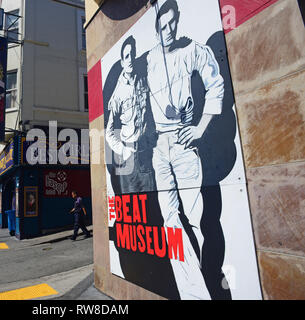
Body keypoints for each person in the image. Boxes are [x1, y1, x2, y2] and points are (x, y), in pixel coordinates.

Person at [145, 0, 225, 300]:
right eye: (162, 25)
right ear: (155, 28)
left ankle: (209, 284)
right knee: (170, 221)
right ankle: (193, 293)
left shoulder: (192, 49)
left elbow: (215, 85)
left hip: (183, 142)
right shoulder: (150, 59)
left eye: (171, 23)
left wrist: (200, 127)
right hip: (159, 147)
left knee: (196, 219)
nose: (167, 30)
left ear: (177, 22)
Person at [105, 35, 156, 194]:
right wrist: (122, 150)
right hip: (128, 156)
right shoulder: (118, 94)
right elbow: (109, 131)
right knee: (133, 203)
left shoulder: (144, 79)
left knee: (151, 202)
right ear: (122, 62)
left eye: (132, 54)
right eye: (126, 56)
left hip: (147, 152)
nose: (130, 59)